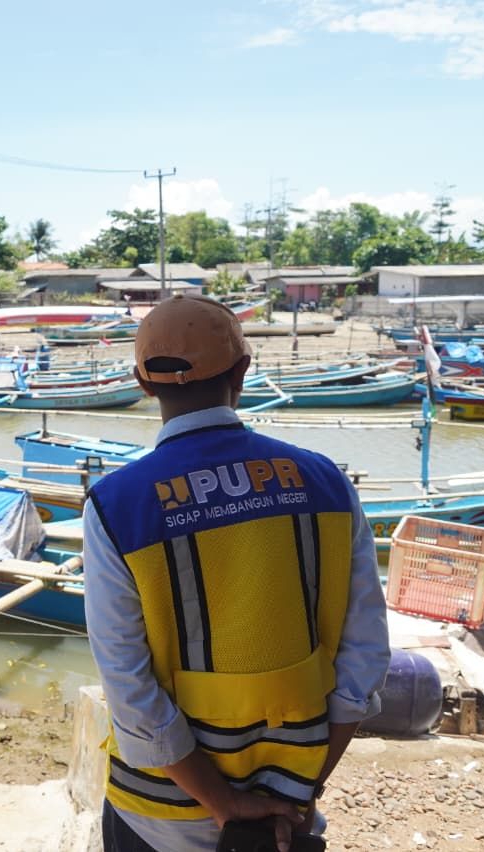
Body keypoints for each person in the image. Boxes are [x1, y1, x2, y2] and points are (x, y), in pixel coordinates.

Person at [83, 295, 390, 852]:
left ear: (143, 384)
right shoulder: (325, 482)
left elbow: (127, 684)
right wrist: (299, 791)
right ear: (242, 370)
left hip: (158, 813)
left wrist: (223, 803)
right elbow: (365, 655)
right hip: (290, 802)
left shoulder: (114, 505)